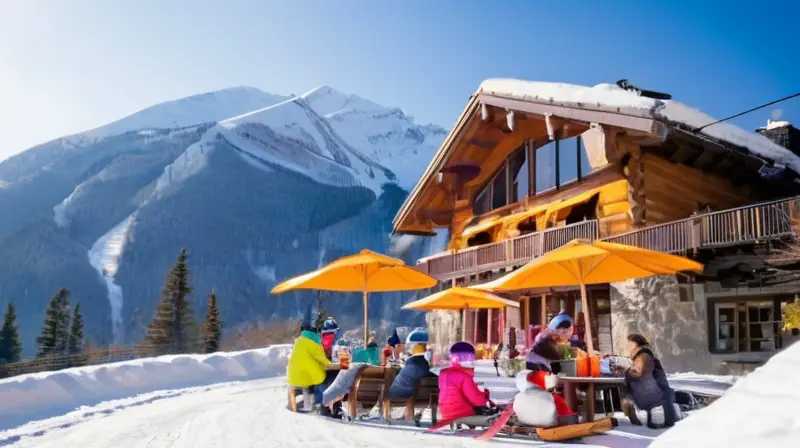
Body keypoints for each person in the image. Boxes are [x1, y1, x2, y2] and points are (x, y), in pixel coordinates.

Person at [621, 334, 680, 429]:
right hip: (660, 403)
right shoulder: (646, 356)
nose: (627, 348)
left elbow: (636, 372)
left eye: (629, 345)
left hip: (655, 405)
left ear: (637, 346)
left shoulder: (643, 356)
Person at [438, 341, 495, 421]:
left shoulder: (443, 373)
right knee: (486, 409)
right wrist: (485, 397)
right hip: (460, 411)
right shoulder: (464, 375)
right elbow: (475, 399)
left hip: (445, 410)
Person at [287, 325, 332, 408]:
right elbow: (324, 361)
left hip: (293, 377)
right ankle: (321, 403)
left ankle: (298, 404)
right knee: (324, 380)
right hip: (307, 376)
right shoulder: (312, 344)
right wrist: (330, 363)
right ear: (314, 334)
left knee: (316, 378)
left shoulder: (298, 342)